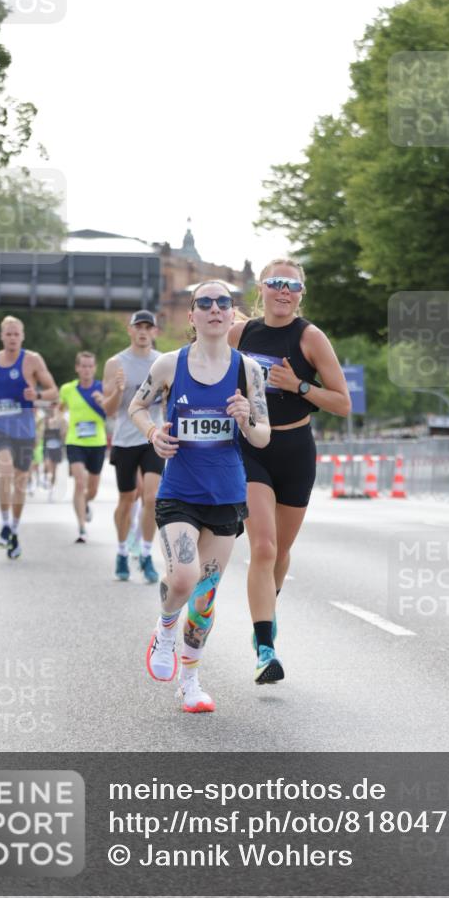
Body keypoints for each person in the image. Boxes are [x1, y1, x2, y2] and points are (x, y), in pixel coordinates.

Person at [129, 280, 270, 712]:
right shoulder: (170, 365)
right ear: (191, 317)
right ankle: (165, 627)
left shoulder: (249, 370)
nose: (214, 308)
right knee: (184, 577)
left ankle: (190, 681)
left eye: (223, 303)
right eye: (204, 303)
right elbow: (137, 407)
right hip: (179, 493)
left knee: (205, 596)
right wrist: (153, 433)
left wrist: (247, 419)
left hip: (226, 494)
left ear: (232, 316)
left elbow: (262, 437)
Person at [228, 258, 351, 683]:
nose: (284, 291)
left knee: (280, 552)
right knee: (262, 547)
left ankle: (266, 611)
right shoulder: (240, 334)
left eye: (293, 285)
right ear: (261, 288)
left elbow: (342, 402)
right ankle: (265, 647)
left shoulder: (310, 337)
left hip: (296, 449)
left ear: (301, 293)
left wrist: (297, 385)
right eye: (276, 283)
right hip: (250, 447)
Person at [0, 315, 58, 559]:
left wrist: (37, 395)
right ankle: (4, 524)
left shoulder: (32, 360)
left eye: (16, 334)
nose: (12, 338)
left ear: (22, 336)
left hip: (24, 428)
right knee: (5, 471)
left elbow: (53, 391)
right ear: (2, 336)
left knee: (21, 480)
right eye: (8, 334)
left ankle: (14, 528)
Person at [102, 310, 163, 582]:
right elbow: (108, 409)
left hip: (152, 437)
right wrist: (117, 389)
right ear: (130, 331)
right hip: (126, 439)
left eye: (148, 327)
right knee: (127, 499)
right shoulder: (116, 363)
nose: (143, 331)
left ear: (154, 332)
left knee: (151, 498)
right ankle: (122, 551)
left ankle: (147, 555)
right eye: (138, 326)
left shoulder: (163, 362)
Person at [59, 352, 110, 543]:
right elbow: (60, 408)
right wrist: (59, 419)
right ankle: (81, 528)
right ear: (77, 368)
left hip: (97, 443)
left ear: (95, 368)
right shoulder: (67, 389)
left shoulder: (103, 388)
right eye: (83, 366)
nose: (87, 370)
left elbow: (112, 412)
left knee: (93, 489)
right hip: (75, 441)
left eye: (90, 366)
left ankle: (85, 503)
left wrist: (102, 402)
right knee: (80, 482)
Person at [42, 401, 66, 498]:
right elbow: (41, 431)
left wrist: (59, 422)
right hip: (47, 446)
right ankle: (45, 477)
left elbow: (64, 434)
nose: (54, 409)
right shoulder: (46, 419)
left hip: (57, 447)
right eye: (52, 407)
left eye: (56, 407)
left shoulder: (62, 420)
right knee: (47, 465)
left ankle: (51, 488)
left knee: (54, 469)